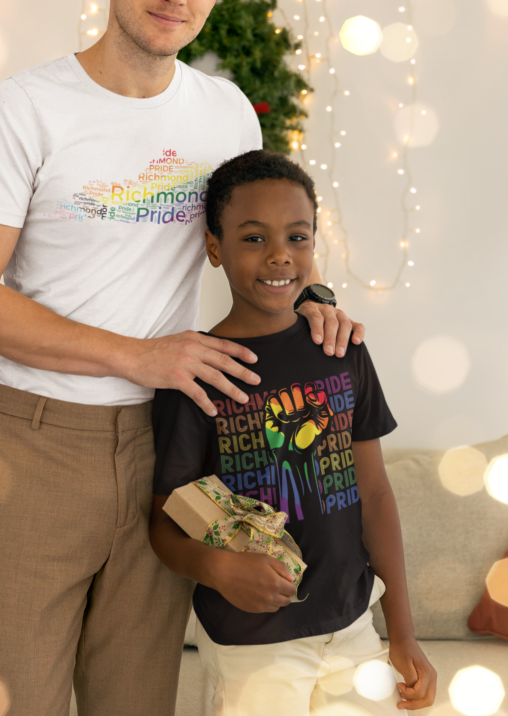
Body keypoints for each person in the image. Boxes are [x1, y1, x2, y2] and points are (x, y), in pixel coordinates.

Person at [0, 0, 363, 716]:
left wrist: (314, 296)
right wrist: (142, 356)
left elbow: (261, 236)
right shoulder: (29, 108)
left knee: (137, 702)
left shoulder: (227, 115)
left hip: (176, 449)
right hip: (35, 445)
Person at [150, 150, 437, 714]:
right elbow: (164, 521)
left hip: (353, 626)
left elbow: (375, 494)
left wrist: (401, 631)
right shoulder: (196, 372)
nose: (280, 255)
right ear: (215, 247)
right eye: (254, 238)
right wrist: (218, 568)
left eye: (298, 237)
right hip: (251, 640)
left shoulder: (342, 349)